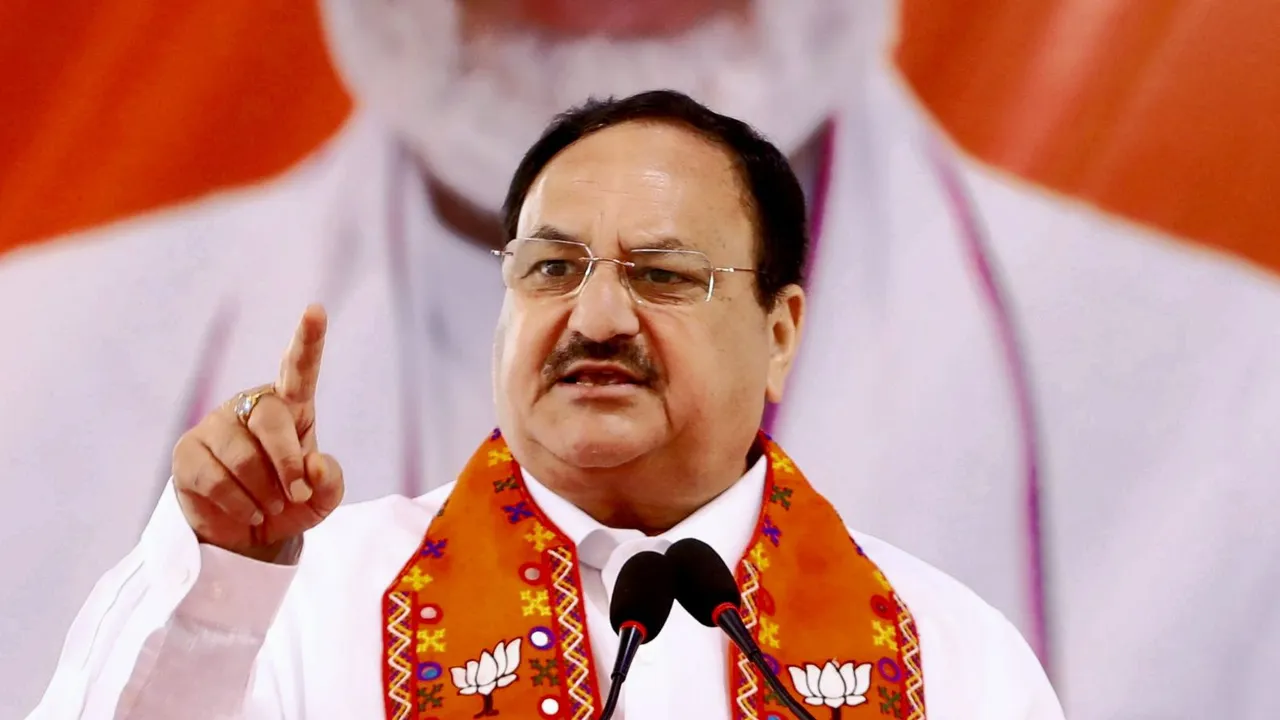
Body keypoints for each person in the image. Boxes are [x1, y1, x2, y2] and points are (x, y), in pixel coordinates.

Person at [5, 2, 1280, 718]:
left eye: (664, 275)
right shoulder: (319, 598)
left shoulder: (948, 651)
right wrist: (222, 581)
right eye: (552, 270)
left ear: (782, 329)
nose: (597, 320)